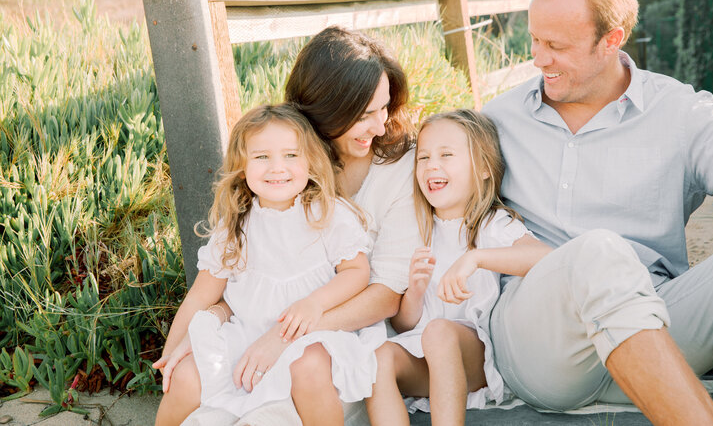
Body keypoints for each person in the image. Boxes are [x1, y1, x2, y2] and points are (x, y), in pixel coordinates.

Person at [483, 0, 713, 425]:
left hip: (656, 331)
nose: (538, 58)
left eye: (558, 45)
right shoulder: (496, 119)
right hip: (542, 348)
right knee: (598, 252)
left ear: (612, 39)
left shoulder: (681, 114)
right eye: (534, 39)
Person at [156, 26, 422, 425]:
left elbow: (384, 294)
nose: (381, 127)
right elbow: (239, 283)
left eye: (383, 109)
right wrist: (196, 335)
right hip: (255, 336)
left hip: (328, 346)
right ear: (324, 111)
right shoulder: (284, 169)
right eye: (364, 115)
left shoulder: (391, 175)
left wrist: (282, 337)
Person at [154, 103, 380, 425]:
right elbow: (201, 296)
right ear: (242, 167)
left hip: (312, 334)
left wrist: (314, 303)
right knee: (187, 376)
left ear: (310, 162)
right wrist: (170, 355)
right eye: (262, 157)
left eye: (291, 155)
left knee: (310, 364)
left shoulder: (327, 213)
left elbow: (357, 272)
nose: (277, 168)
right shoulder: (236, 225)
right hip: (246, 334)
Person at [366, 110, 552, 425]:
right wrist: (414, 292)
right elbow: (404, 325)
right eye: (422, 158)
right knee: (378, 359)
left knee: (439, 333)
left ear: (482, 168)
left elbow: (545, 258)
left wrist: (476, 258)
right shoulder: (417, 228)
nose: (431, 165)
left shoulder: (489, 225)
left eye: (446, 155)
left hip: (473, 354)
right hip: (423, 350)